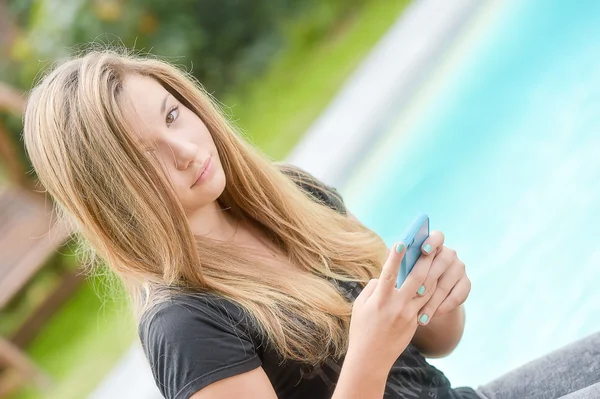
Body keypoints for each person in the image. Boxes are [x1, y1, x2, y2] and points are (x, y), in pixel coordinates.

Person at [22, 49, 600, 399]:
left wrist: (435, 300)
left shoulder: (291, 195)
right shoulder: (185, 326)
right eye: (147, 156)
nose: (183, 148)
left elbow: (436, 347)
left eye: (174, 114)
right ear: (112, 196)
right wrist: (368, 356)